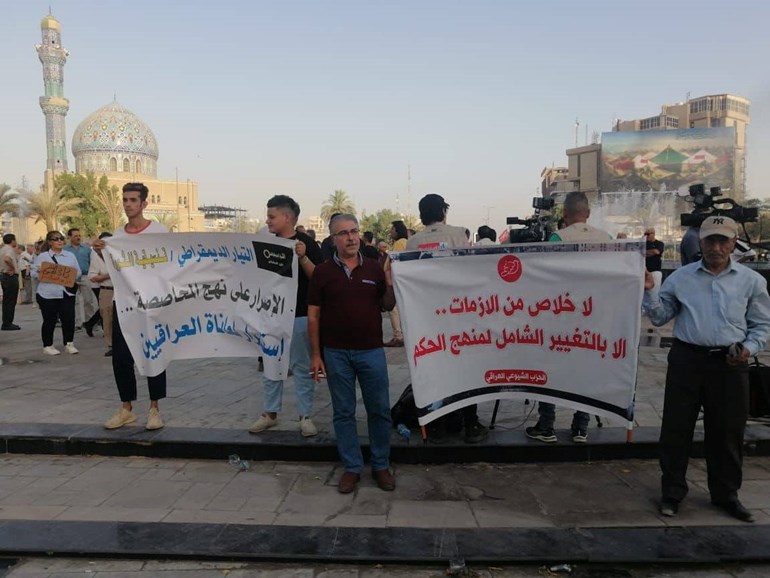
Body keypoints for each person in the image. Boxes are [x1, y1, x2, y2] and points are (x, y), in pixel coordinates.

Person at [644, 216, 770, 523]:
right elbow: (660, 317)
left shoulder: (751, 281)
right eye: (710, 240)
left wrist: (749, 348)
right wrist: (649, 291)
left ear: (733, 243)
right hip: (687, 361)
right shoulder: (681, 278)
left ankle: (726, 494)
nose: (716, 247)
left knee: (728, 432)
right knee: (676, 429)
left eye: (723, 240)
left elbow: (761, 325)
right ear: (700, 242)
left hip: (730, 364)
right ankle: (672, 492)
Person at [308, 213, 395, 493]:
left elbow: (387, 305)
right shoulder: (322, 272)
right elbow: (313, 316)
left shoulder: (373, 268)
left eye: (354, 231)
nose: (351, 237)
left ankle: (381, 465)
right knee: (344, 412)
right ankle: (352, 467)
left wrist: (389, 281)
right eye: (343, 233)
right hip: (336, 353)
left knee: (379, 410)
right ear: (333, 239)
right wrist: (316, 355)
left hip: (371, 351)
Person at [526, 190, 612, 444]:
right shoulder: (606, 239)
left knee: (550, 370)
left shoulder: (557, 237)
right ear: (588, 213)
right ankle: (580, 428)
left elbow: (545, 277)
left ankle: (546, 426)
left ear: (564, 214)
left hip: (561, 316)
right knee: (585, 371)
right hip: (593, 318)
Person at [406, 193, 489, 444]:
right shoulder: (458, 235)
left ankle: (437, 424)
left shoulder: (413, 242)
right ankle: (470, 423)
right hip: (458, 314)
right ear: (443, 211)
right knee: (466, 370)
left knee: (434, 370)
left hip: (427, 318)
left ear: (422, 215)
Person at [94, 183, 169, 431]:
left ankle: (154, 409)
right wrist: (103, 253)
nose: (128, 204)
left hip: (152, 305)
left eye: (133, 200)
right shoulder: (117, 236)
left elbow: (169, 265)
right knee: (121, 358)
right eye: (125, 200)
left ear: (144, 203)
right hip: (124, 304)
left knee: (153, 354)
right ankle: (126, 408)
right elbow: (116, 269)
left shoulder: (159, 232)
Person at [249, 195, 324, 437]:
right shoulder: (264, 243)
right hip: (271, 316)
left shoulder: (306, 243)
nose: (268, 221)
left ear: (287, 217)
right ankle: (270, 413)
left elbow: (319, 279)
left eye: (272, 216)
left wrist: (303, 257)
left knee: (302, 368)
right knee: (271, 366)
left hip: (300, 315)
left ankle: (305, 416)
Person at [30, 231, 80, 355]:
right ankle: (48, 345)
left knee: (69, 319)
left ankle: (69, 343)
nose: (59, 241)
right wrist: (42, 272)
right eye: (56, 239)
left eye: (61, 238)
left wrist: (68, 274)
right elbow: (33, 273)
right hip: (48, 293)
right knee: (49, 320)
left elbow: (78, 272)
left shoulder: (70, 256)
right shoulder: (43, 257)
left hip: (66, 293)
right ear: (50, 242)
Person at [383, 220, 409, 347]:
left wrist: (390, 281)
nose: (390, 231)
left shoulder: (399, 243)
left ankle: (398, 336)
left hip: (396, 281)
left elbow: (395, 263)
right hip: (401, 281)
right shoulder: (404, 242)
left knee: (393, 309)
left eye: (392, 229)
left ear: (397, 230)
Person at [88, 232, 114, 356]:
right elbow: (92, 277)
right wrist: (108, 275)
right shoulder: (96, 258)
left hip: (120, 291)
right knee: (107, 318)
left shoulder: (118, 256)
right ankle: (111, 345)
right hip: (107, 290)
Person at [1, 233, 21, 330]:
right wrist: (12, 268)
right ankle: (8, 323)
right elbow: (7, 259)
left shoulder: (2, 249)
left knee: (6, 300)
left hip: (3, 275)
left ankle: (6, 322)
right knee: (11, 300)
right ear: (12, 240)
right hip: (10, 276)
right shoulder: (9, 249)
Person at [644, 227, 665, 292]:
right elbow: (640, 253)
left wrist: (645, 252)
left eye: (648, 234)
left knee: (654, 292)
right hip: (645, 272)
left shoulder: (659, 243)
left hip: (655, 271)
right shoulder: (644, 244)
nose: (646, 236)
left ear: (653, 234)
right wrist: (651, 252)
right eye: (645, 234)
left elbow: (656, 252)